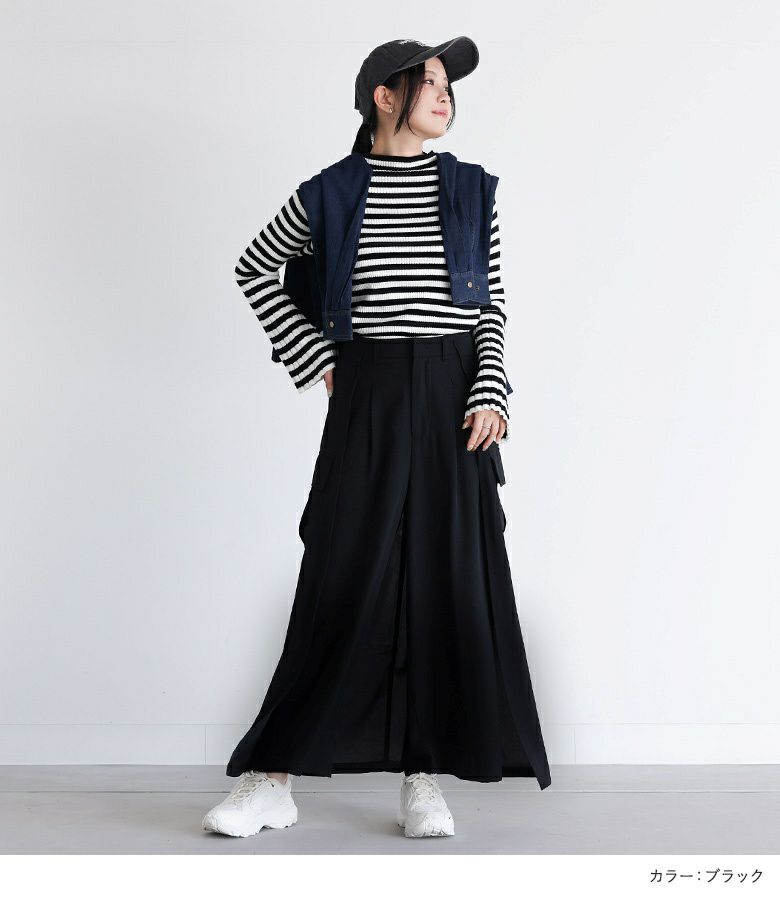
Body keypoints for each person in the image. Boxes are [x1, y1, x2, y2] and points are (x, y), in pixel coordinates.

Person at [203, 36, 551, 840]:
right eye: (426, 81)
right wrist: (316, 355)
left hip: (455, 399)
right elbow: (255, 268)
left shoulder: (470, 190)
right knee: (342, 574)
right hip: (369, 391)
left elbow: (489, 305)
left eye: (448, 83)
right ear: (382, 97)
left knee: (440, 580)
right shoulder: (329, 192)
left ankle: (421, 777)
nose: (444, 93)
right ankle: (272, 777)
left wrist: (491, 389)